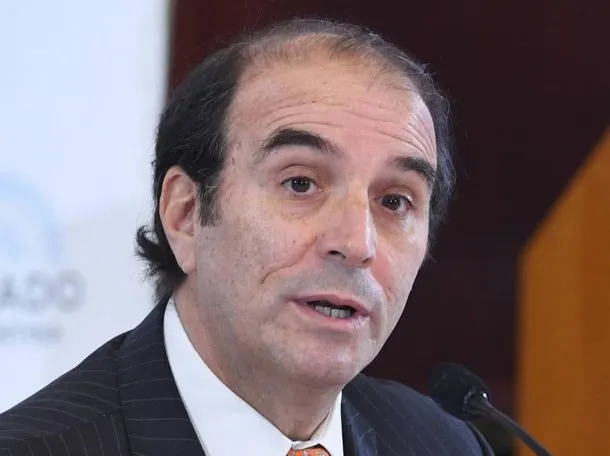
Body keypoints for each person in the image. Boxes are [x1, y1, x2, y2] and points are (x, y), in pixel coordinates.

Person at [0, 18, 493, 456]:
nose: (357, 243)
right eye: (300, 184)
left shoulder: (445, 444)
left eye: (394, 202)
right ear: (186, 214)